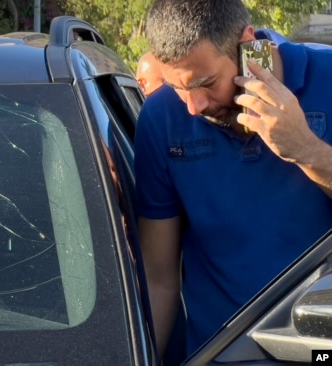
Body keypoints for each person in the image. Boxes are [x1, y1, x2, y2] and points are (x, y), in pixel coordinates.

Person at [134, 0, 332, 360]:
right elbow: (159, 278)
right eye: (179, 88)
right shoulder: (160, 118)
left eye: (206, 83)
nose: (193, 106)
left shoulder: (328, 78)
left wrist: (306, 149)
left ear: (247, 44)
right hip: (219, 354)